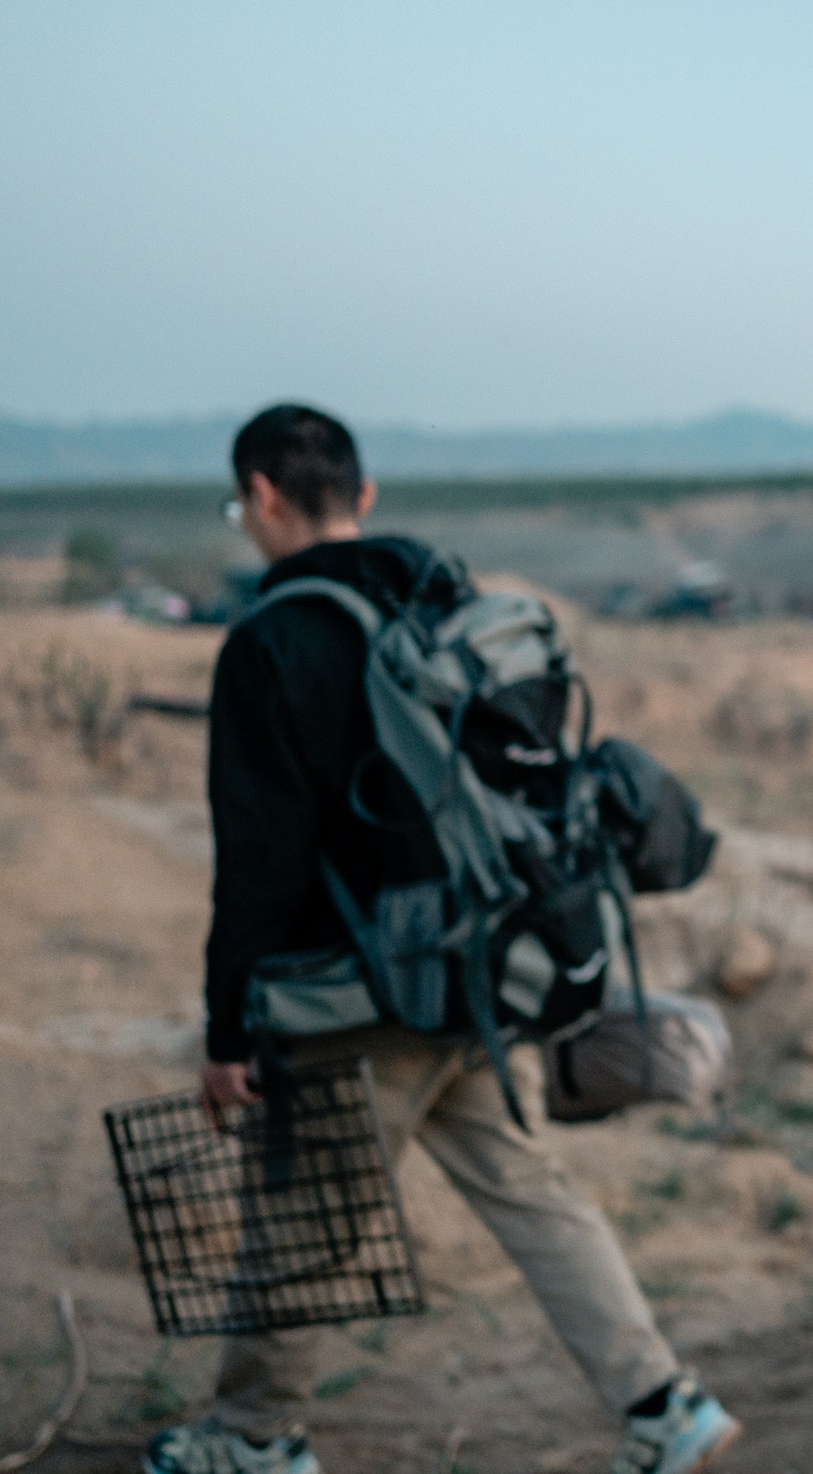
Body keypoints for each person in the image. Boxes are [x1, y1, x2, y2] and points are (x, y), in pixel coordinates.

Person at [146, 404, 739, 1474]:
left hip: (356, 995)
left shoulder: (270, 643)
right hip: (481, 969)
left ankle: (252, 1440)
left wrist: (227, 1028)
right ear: (364, 497)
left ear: (262, 496)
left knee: (302, 1223)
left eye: (242, 506)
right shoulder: (443, 604)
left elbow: (260, 862)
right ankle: (667, 1406)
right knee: (530, 1188)